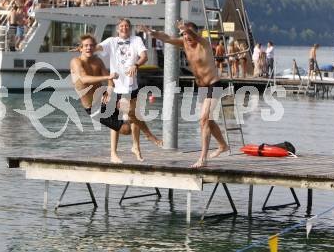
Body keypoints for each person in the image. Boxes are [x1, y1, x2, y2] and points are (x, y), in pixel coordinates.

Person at [140, 21, 229, 168]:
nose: (186, 37)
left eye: (188, 33)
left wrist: (186, 29)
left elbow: (194, 35)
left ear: (195, 33)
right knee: (209, 121)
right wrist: (152, 33)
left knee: (203, 120)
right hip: (201, 87)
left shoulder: (203, 43)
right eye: (184, 34)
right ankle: (222, 145)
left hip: (214, 84)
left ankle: (203, 158)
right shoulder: (184, 43)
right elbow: (167, 38)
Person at [95, 18, 162, 162]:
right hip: (116, 86)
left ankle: (136, 147)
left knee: (133, 116)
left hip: (132, 85)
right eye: (121, 26)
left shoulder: (136, 39)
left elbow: (144, 57)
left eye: (126, 26)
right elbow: (97, 48)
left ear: (129, 28)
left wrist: (136, 65)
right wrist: (84, 48)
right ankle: (114, 152)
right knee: (118, 119)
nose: (124, 28)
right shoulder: (111, 41)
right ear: (118, 29)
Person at [71, 34, 133, 163]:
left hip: (104, 97)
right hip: (93, 107)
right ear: (81, 48)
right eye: (86, 46)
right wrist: (107, 78)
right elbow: (84, 78)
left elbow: (111, 81)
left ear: (94, 48)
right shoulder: (76, 62)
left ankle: (114, 154)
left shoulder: (97, 61)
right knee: (126, 130)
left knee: (129, 104)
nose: (89, 48)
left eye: (91, 46)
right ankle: (123, 124)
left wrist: (109, 91)